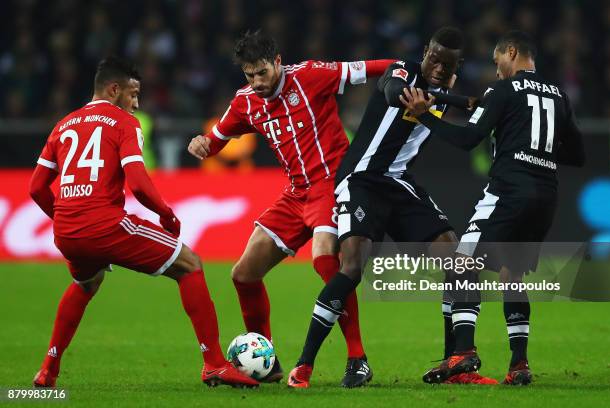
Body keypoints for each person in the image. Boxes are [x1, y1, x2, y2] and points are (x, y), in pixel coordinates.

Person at [29, 56, 258, 388]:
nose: (136, 103)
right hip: (105, 224)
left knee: (86, 282)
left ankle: (48, 370)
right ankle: (214, 364)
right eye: (133, 94)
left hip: (66, 231)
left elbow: (36, 187)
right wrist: (166, 213)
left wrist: (65, 216)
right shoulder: (123, 122)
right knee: (190, 264)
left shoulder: (64, 124)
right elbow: (137, 182)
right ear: (114, 89)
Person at [287, 27, 497, 388]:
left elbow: (462, 135)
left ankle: (457, 366)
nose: (433, 65)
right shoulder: (404, 70)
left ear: (455, 65)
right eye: (431, 56)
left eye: (443, 63)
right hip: (362, 179)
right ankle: (304, 366)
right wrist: (446, 99)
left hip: (399, 183)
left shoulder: (446, 96)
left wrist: (465, 104)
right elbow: (390, 90)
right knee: (352, 265)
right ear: (426, 51)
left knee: (460, 262)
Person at [188, 30, 394, 387]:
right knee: (244, 273)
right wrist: (202, 144)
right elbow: (217, 140)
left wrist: (416, 71)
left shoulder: (311, 75)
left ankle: (357, 358)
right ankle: (265, 361)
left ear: (278, 61)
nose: (257, 82)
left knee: (325, 261)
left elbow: (376, 67)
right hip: (294, 193)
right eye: (249, 75)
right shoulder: (244, 102)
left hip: (332, 185)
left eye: (262, 73)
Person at [400, 30, 585, 385]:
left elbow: (468, 140)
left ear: (512, 53)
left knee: (460, 262)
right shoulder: (559, 95)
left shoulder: (502, 90)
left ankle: (463, 352)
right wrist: (534, 145)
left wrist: (425, 115)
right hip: (546, 198)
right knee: (512, 276)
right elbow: (577, 155)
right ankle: (519, 364)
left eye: (498, 62)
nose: (497, 70)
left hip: (509, 192)